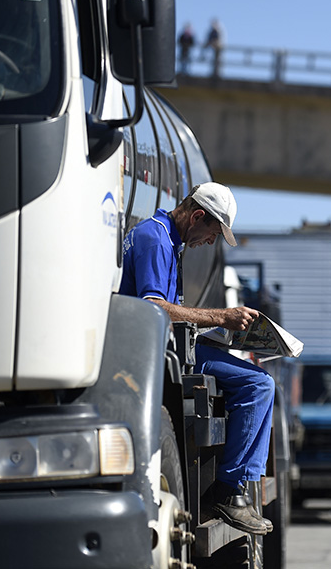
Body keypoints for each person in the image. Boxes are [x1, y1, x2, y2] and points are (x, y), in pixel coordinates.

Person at [119, 182, 275, 536]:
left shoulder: (164, 239)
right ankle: (229, 491)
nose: (210, 242)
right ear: (197, 216)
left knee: (258, 381)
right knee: (258, 384)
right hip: (163, 352)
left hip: (170, 347)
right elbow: (154, 307)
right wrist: (222, 317)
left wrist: (216, 329)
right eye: (212, 233)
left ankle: (233, 488)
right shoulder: (156, 239)